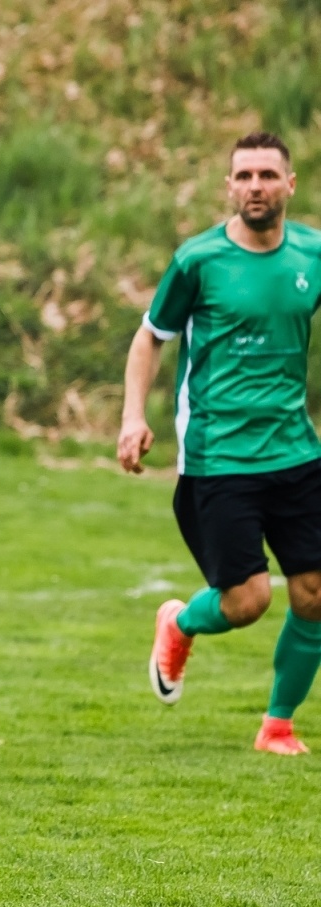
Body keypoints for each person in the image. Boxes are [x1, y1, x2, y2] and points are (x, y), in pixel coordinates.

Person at [121, 131, 321, 757]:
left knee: (315, 594)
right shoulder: (198, 260)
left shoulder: (313, 254)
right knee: (248, 600)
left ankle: (277, 726)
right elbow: (151, 336)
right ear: (229, 187)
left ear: (290, 184)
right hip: (217, 459)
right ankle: (180, 623)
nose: (255, 186)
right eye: (244, 176)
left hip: (296, 452)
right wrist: (133, 416)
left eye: (267, 174)